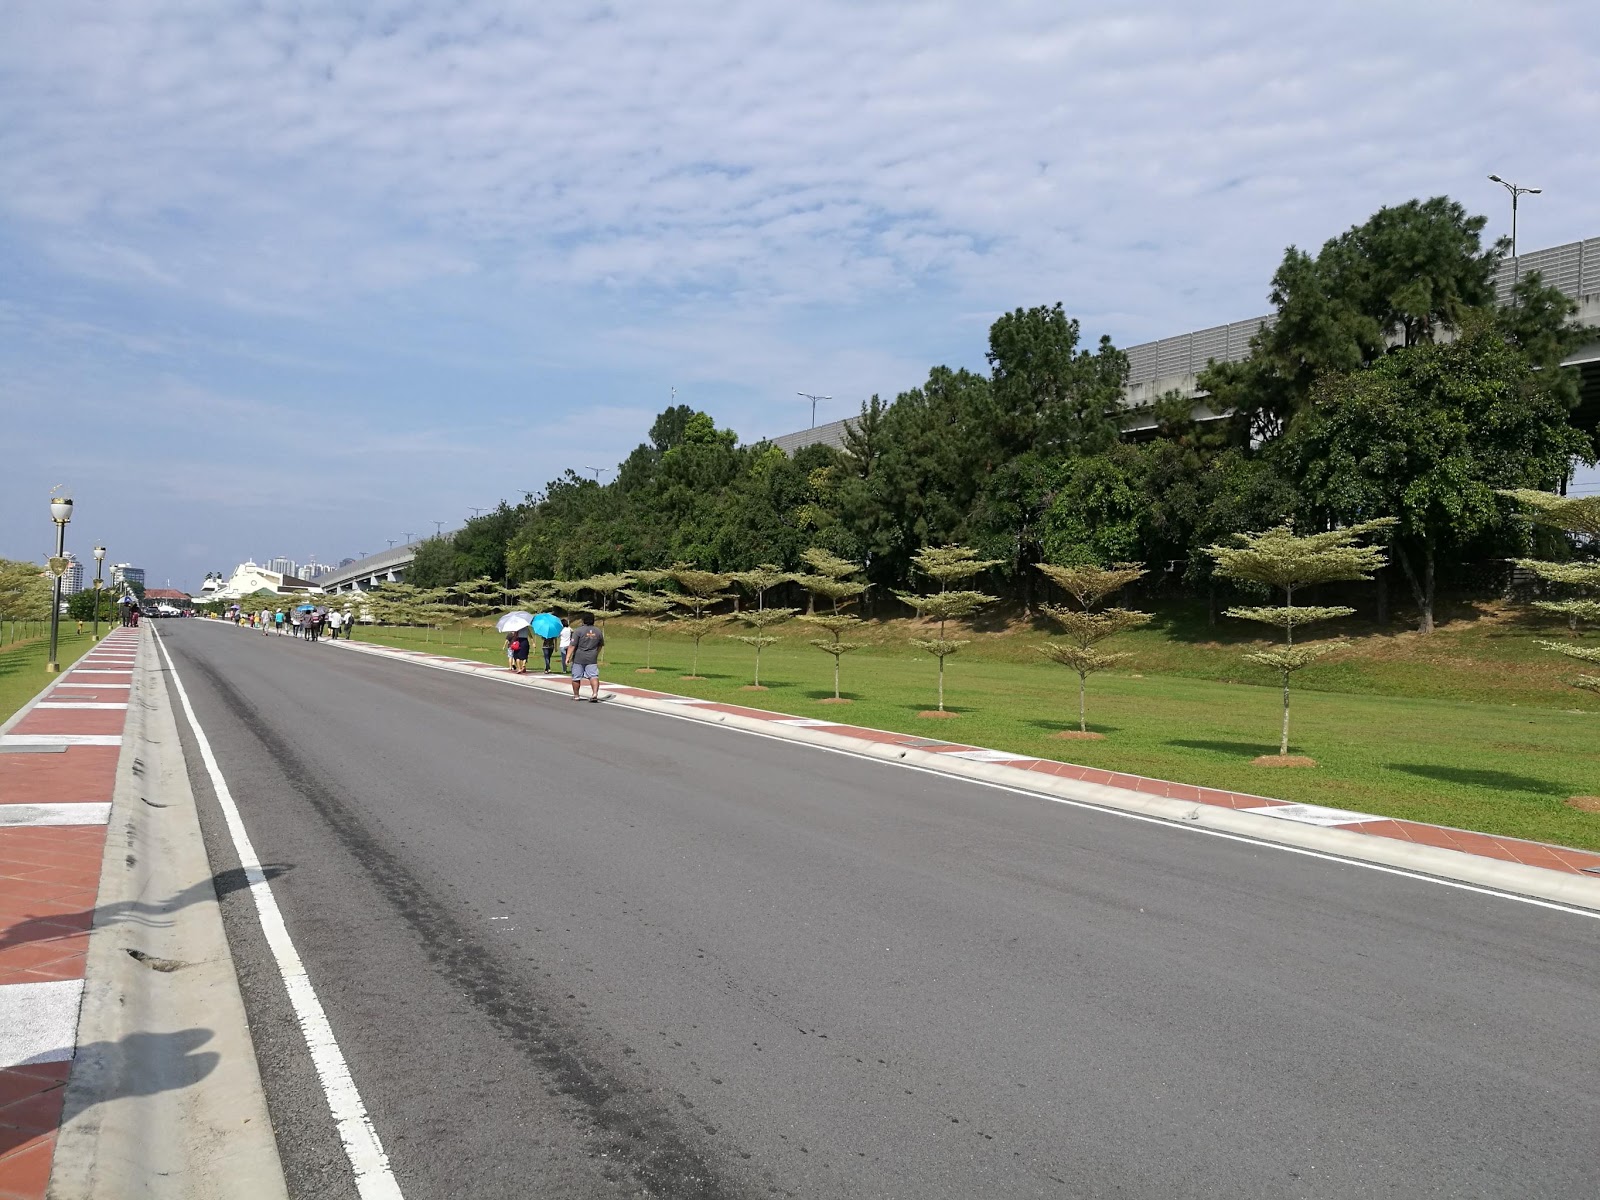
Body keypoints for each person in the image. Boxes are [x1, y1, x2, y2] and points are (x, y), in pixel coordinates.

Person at [567, 612, 605, 702]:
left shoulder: (578, 631)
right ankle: (595, 693)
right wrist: (596, 653)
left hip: (579, 657)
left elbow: (572, 645)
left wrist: (567, 657)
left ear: (583, 620)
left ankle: (576, 695)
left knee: (576, 677)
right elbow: (600, 645)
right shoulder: (598, 631)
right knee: (593, 676)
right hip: (592, 658)